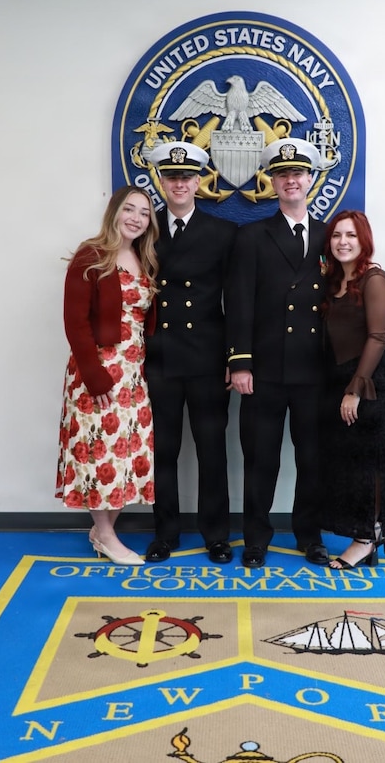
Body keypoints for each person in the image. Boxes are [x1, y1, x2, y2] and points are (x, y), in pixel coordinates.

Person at [226, 138, 330, 568]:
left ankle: (311, 536)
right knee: (260, 459)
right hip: (265, 369)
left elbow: (351, 291)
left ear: (310, 179)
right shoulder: (252, 235)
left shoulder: (330, 233)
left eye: (298, 173)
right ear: (272, 181)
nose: (291, 180)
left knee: (312, 460)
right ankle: (256, 538)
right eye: (282, 174)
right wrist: (240, 362)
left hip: (315, 370)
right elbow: (239, 301)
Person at [144, 141, 237, 564]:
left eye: (185, 177)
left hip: (207, 357)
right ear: (160, 182)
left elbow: (235, 301)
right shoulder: (147, 230)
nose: (178, 184)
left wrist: (236, 358)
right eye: (171, 177)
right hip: (161, 356)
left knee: (211, 449)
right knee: (163, 450)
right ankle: (165, 532)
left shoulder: (223, 232)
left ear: (199, 182)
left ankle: (216, 534)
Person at [56, 186, 159, 566]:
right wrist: (94, 376)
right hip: (97, 371)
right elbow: (75, 322)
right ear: (114, 212)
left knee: (127, 453)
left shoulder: (144, 259)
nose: (135, 218)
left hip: (134, 372)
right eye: (128, 209)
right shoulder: (92, 256)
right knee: (99, 453)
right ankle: (108, 536)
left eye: (144, 213)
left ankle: (102, 531)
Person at [320, 210, 385, 569]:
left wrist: (355, 389)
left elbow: (378, 335)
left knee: (371, 462)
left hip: (371, 383)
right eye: (337, 235)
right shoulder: (332, 279)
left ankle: (366, 539)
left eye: (350, 235)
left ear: (363, 239)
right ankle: (365, 532)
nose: (343, 242)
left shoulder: (374, 278)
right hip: (339, 380)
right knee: (350, 463)